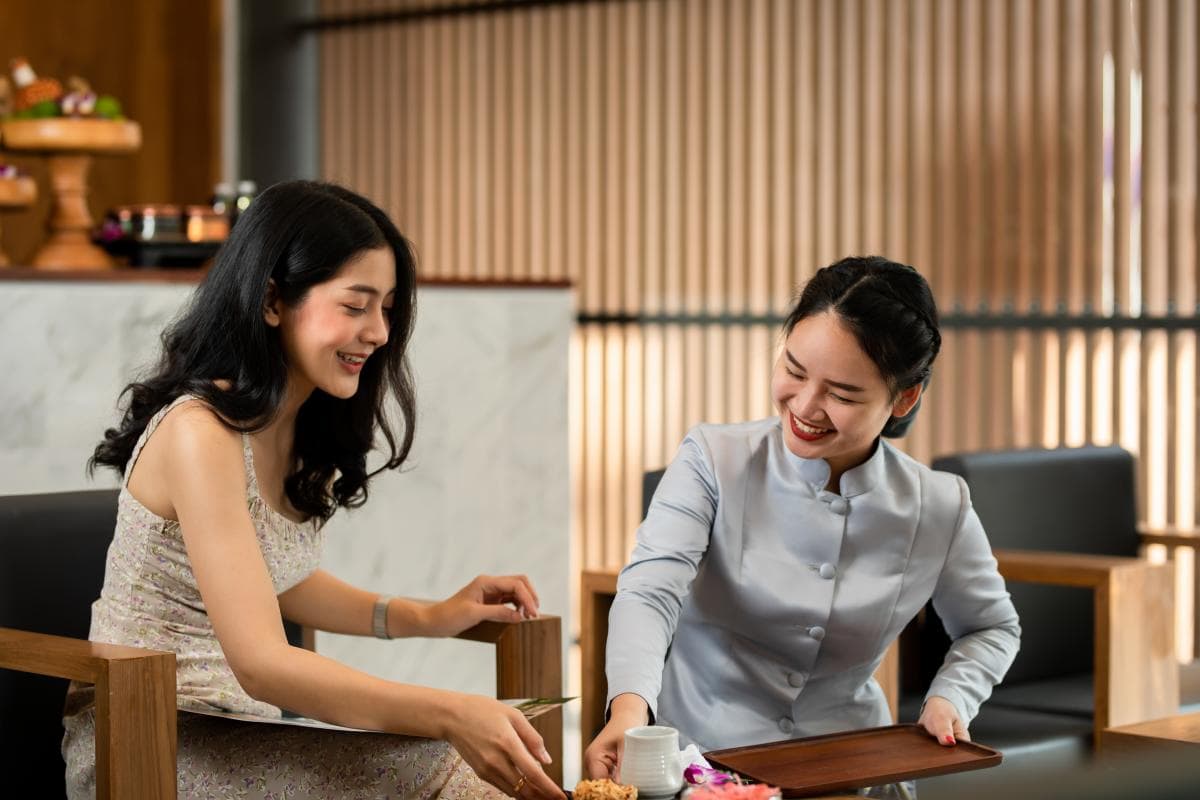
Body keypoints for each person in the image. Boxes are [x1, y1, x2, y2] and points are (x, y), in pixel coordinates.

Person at [62, 180, 565, 800]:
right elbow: (262, 663)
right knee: (446, 767)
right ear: (273, 300)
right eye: (355, 306)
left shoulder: (296, 421)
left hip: (243, 728)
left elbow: (281, 576)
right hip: (144, 739)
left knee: (457, 766)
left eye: (386, 308)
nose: (378, 332)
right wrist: (449, 710)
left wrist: (429, 617)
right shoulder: (199, 431)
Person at [585, 256, 1021, 781]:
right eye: (793, 369)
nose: (806, 406)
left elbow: (991, 626)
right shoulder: (713, 459)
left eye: (841, 394)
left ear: (904, 398)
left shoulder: (939, 504)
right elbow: (651, 590)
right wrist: (630, 710)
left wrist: (951, 696)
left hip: (853, 767)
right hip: (705, 765)